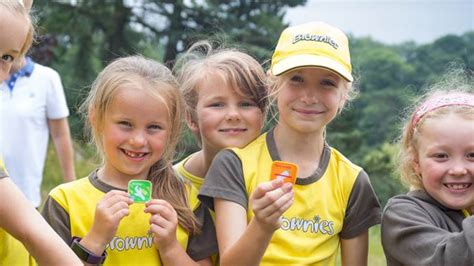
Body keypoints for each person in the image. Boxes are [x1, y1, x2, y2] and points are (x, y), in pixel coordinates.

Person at [199, 21, 381, 265]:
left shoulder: (353, 181)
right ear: (273, 84)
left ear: (344, 94)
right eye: (296, 79)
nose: (309, 97)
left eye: (327, 82)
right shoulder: (235, 165)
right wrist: (262, 225)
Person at [42, 55, 217, 265]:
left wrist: (170, 248)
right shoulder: (65, 202)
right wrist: (95, 240)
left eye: (154, 127)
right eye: (125, 123)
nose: (138, 140)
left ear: (171, 131)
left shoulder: (189, 199)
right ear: (96, 118)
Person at [0, 1, 81, 265]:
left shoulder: (47, 80)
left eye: (7, 57)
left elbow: (60, 135)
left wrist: (71, 187)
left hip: (25, 195)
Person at [381, 69, 474, 265]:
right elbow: (447, 259)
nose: (458, 170)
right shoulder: (402, 214)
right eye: (441, 156)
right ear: (416, 163)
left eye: (472, 155)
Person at [173, 41, 267, 196]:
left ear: (262, 114)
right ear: (190, 118)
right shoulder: (171, 186)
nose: (233, 115)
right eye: (217, 105)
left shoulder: (275, 179)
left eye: (246, 104)